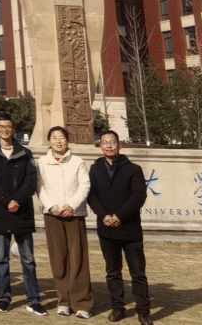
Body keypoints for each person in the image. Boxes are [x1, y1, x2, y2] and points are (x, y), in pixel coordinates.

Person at [0, 114, 46, 316]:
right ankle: (4, 297)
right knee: (1, 259)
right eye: (1, 126)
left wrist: (17, 200)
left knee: (28, 259)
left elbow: (30, 180)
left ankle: (33, 299)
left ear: (13, 128)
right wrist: (6, 201)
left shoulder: (24, 153)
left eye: (8, 126)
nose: (4, 129)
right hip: (0, 212)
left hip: (22, 212)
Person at [88, 131, 151, 324]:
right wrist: (105, 216)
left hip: (129, 228)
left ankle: (143, 310)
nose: (108, 145)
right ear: (100, 146)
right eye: (105, 142)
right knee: (112, 271)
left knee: (137, 273)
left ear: (119, 145)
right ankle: (118, 307)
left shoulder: (133, 169)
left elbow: (138, 196)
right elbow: (91, 196)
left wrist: (119, 216)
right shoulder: (95, 169)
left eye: (112, 142)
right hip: (106, 227)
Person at [38, 125, 94, 318]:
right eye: (54, 138)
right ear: (49, 141)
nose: (58, 141)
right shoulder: (42, 162)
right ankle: (63, 301)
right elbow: (39, 187)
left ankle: (82, 303)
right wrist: (51, 206)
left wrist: (71, 205)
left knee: (78, 259)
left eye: (61, 137)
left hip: (74, 215)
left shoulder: (77, 161)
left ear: (67, 140)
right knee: (58, 260)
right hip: (52, 215)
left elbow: (84, 185)